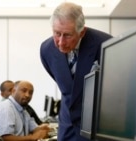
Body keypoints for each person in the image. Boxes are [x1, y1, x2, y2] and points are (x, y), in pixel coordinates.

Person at [40, 2, 112, 141]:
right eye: (57, 33)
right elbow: (67, 88)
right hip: (67, 128)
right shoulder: (46, 50)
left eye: (67, 35)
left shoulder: (106, 45)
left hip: (97, 129)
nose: (60, 42)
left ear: (82, 32)